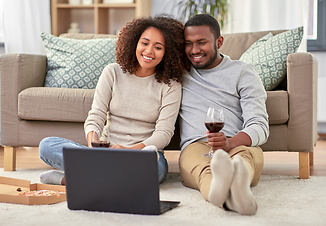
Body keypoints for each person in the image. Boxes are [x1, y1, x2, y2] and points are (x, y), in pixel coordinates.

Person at [39, 15, 190, 185]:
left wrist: (129, 151)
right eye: (145, 43)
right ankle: (110, 175)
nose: (149, 51)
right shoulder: (112, 72)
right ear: (134, 43)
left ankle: (74, 179)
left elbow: (164, 133)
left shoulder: (171, 85)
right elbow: (96, 116)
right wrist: (93, 144)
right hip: (106, 152)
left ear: (168, 52)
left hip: (143, 154)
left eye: (158, 47)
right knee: (47, 145)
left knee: (157, 172)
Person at [179, 14, 269, 215]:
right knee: (204, 171)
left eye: (201, 42)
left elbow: (260, 125)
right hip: (196, 145)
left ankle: (234, 186)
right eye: (188, 44)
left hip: (236, 143)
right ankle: (233, 199)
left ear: (219, 41)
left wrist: (229, 143)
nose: (194, 51)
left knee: (242, 160)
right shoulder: (179, 73)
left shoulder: (243, 72)